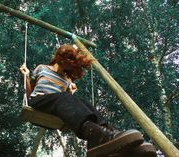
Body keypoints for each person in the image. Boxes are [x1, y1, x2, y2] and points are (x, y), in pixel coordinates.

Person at [20, 44, 156, 157]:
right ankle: (97, 135)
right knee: (63, 97)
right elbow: (30, 92)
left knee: (85, 102)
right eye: (64, 67)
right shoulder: (41, 68)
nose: (64, 72)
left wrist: (70, 91)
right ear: (59, 59)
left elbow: (69, 102)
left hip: (55, 107)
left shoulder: (67, 79)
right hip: (38, 102)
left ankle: (110, 135)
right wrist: (26, 76)